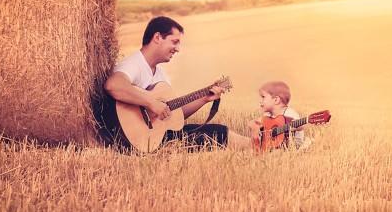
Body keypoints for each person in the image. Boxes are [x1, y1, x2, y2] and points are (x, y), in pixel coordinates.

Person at [103, 16, 251, 151]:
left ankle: (256, 143)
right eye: (174, 42)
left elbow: (173, 116)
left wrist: (204, 98)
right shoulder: (134, 63)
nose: (178, 49)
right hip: (130, 139)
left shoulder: (160, 74)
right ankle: (258, 144)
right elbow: (113, 85)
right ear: (157, 37)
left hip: (152, 138)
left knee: (207, 132)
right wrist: (151, 103)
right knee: (214, 133)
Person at [249, 81, 306, 148]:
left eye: (263, 97)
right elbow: (255, 123)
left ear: (276, 100)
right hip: (275, 146)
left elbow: (301, 126)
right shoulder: (268, 115)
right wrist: (254, 125)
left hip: (292, 148)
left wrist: (291, 127)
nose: (260, 101)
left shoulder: (289, 114)